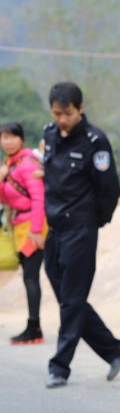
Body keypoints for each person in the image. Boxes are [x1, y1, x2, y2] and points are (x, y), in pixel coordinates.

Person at [42, 82, 120, 388]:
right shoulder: (50, 135)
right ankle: (114, 349)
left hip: (81, 228)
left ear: (80, 109)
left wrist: (95, 221)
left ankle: (60, 367)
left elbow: (110, 189)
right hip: (55, 229)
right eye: (57, 113)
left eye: (67, 113)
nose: (62, 120)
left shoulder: (96, 141)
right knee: (70, 297)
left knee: (71, 300)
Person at [0, 122, 48, 344]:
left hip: (31, 227)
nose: (7, 142)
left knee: (31, 277)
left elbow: (39, 199)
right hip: (20, 225)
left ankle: (34, 327)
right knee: (29, 277)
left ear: (22, 139)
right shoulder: (10, 165)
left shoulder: (27, 164)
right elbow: (5, 198)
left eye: (12, 137)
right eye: (4, 137)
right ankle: (33, 325)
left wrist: (36, 231)